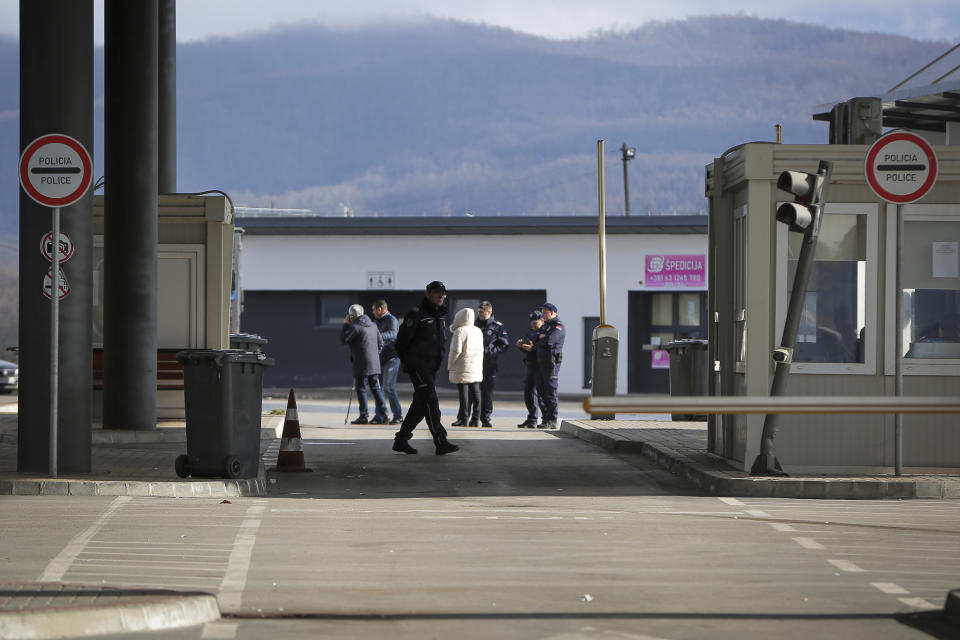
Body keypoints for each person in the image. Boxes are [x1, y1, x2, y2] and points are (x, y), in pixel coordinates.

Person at [393, 281, 459, 455]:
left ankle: (401, 440)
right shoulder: (416, 314)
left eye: (443, 294)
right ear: (428, 293)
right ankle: (440, 440)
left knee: (420, 405)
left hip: (431, 367)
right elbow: (401, 342)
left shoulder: (441, 315)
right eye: (437, 293)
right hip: (418, 366)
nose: (441, 297)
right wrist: (410, 363)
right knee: (431, 401)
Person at [339, 304, 388, 425]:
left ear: (351, 316)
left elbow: (344, 340)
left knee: (361, 389)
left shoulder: (355, 327)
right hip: (374, 364)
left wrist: (345, 324)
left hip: (361, 364)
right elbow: (381, 343)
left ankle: (364, 415)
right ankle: (384, 413)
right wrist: (374, 356)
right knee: (376, 389)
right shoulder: (373, 325)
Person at [475, 300, 509, 428]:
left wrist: (489, 351)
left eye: (482, 312)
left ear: (489, 312)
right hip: (474, 364)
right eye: (478, 312)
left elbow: (504, 345)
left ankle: (486, 418)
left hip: (490, 364)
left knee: (487, 392)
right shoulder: (474, 325)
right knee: (474, 392)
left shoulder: (497, 326)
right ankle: (473, 417)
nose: (480, 314)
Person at [447, 307, 484, 426]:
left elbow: (455, 351)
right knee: (476, 392)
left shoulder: (460, 331)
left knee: (463, 393)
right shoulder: (478, 330)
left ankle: (463, 419)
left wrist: (450, 363)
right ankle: (475, 419)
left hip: (462, 366)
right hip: (476, 365)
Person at [372, 300, 404, 424]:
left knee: (389, 387)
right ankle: (380, 416)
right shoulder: (375, 322)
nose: (373, 312)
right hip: (379, 360)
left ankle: (398, 416)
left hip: (392, 358)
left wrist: (376, 335)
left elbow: (393, 334)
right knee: (378, 389)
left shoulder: (392, 320)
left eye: (374, 309)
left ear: (380, 309)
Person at [534, 302, 565, 429]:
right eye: (542, 312)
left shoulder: (558, 326)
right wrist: (541, 337)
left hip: (551, 364)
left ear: (552, 312)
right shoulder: (546, 326)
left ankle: (552, 419)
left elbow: (549, 341)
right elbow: (536, 338)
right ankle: (546, 419)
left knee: (550, 392)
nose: (543, 314)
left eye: (545, 312)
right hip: (541, 363)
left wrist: (541, 338)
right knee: (541, 392)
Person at [515, 310, 545, 428]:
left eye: (535, 322)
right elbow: (527, 350)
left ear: (542, 320)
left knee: (542, 393)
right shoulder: (530, 333)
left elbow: (545, 350)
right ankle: (532, 419)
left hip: (541, 366)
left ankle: (546, 419)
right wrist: (521, 346)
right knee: (529, 392)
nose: (533, 324)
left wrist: (532, 349)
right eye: (531, 322)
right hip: (530, 365)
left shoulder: (545, 333)